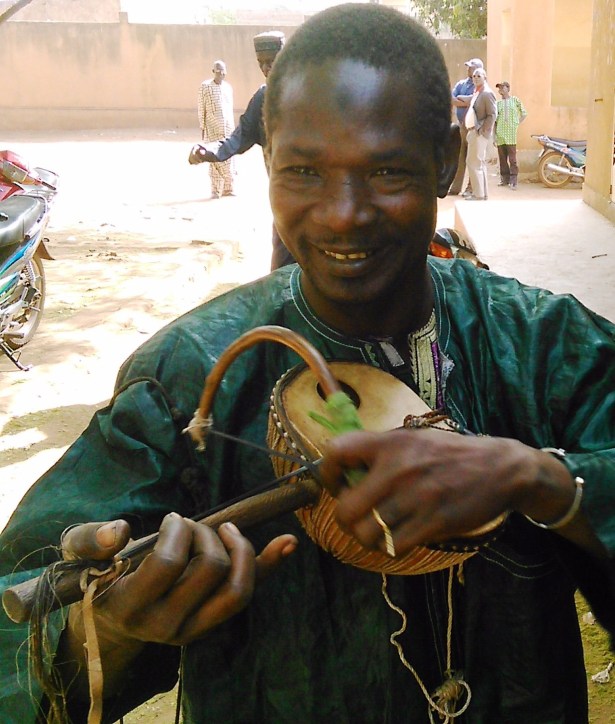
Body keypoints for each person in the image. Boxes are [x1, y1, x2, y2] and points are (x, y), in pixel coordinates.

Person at [1, 5, 615, 723]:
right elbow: (19, 630)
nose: (342, 213)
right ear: (268, 165)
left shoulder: (546, 347)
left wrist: (551, 484)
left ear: (446, 161)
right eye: (303, 172)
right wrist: (105, 631)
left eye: (385, 170)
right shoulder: (186, 378)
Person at [189, 30, 295, 270]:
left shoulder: (310, 95)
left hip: (316, 197)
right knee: (281, 271)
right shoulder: (263, 98)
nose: (266, 68)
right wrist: (211, 151)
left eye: (271, 61)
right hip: (283, 199)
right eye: (261, 63)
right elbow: (240, 136)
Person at [197, 59, 235, 198]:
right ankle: (215, 190)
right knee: (214, 159)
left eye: (223, 71)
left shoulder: (228, 88)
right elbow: (201, 107)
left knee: (229, 158)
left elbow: (230, 108)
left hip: (228, 129)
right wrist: (202, 126)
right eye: (218, 71)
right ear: (213, 71)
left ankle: (228, 189)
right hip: (212, 130)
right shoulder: (205, 87)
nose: (221, 74)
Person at [461, 66, 497, 201]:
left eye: (479, 76)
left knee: (473, 163)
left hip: (479, 133)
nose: (475, 78)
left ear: (485, 78)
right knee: (478, 163)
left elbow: (492, 115)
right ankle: (482, 193)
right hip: (473, 132)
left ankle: (478, 194)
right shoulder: (478, 92)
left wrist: (482, 131)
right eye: (474, 76)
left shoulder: (487, 93)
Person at [449, 57, 483, 196]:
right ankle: (455, 188)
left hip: (474, 128)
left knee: (472, 160)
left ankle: (471, 188)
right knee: (459, 158)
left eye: (471, 67)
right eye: (468, 67)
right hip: (461, 126)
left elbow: (475, 101)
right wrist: (465, 101)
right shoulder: (461, 84)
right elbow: (452, 99)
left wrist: (463, 100)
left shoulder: (480, 87)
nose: (468, 69)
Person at [494, 80, 527, 190]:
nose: (501, 90)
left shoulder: (515, 100)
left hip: (511, 134)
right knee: (502, 158)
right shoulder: (498, 104)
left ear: (508, 88)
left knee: (512, 159)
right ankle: (504, 179)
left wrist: (516, 123)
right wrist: (494, 136)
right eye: (499, 88)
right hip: (500, 134)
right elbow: (495, 121)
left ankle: (513, 180)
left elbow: (524, 113)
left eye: (502, 87)